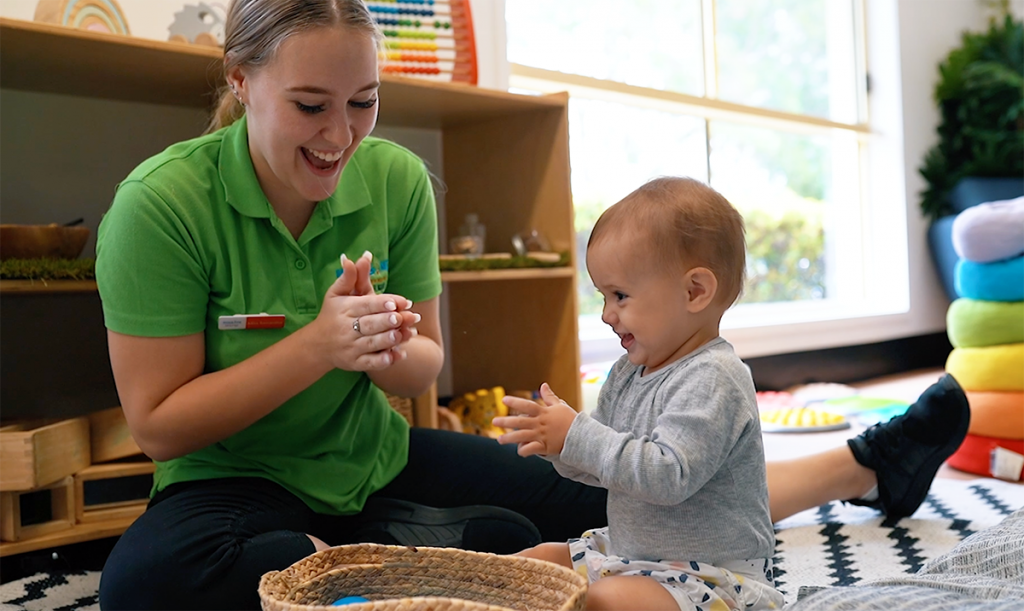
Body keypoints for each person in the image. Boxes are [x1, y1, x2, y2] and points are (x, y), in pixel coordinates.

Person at [92, 1, 970, 609]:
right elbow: (160, 426)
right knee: (141, 588)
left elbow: (426, 366)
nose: (340, 136)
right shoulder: (161, 206)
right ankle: (409, 557)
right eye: (310, 106)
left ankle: (860, 466)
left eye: (364, 103)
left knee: (627, 501)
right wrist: (317, 346)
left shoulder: (393, 179)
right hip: (231, 484)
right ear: (240, 80)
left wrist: (381, 344)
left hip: (372, 460)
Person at [493, 177, 785, 610]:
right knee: (529, 566)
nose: (606, 314)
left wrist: (578, 436)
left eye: (620, 295)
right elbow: (608, 466)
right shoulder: (627, 373)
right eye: (603, 296)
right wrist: (559, 446)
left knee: (602, 601)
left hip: (711, 576)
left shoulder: (715, 377)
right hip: (633, 556)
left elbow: (667, 476)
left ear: (694, 291)